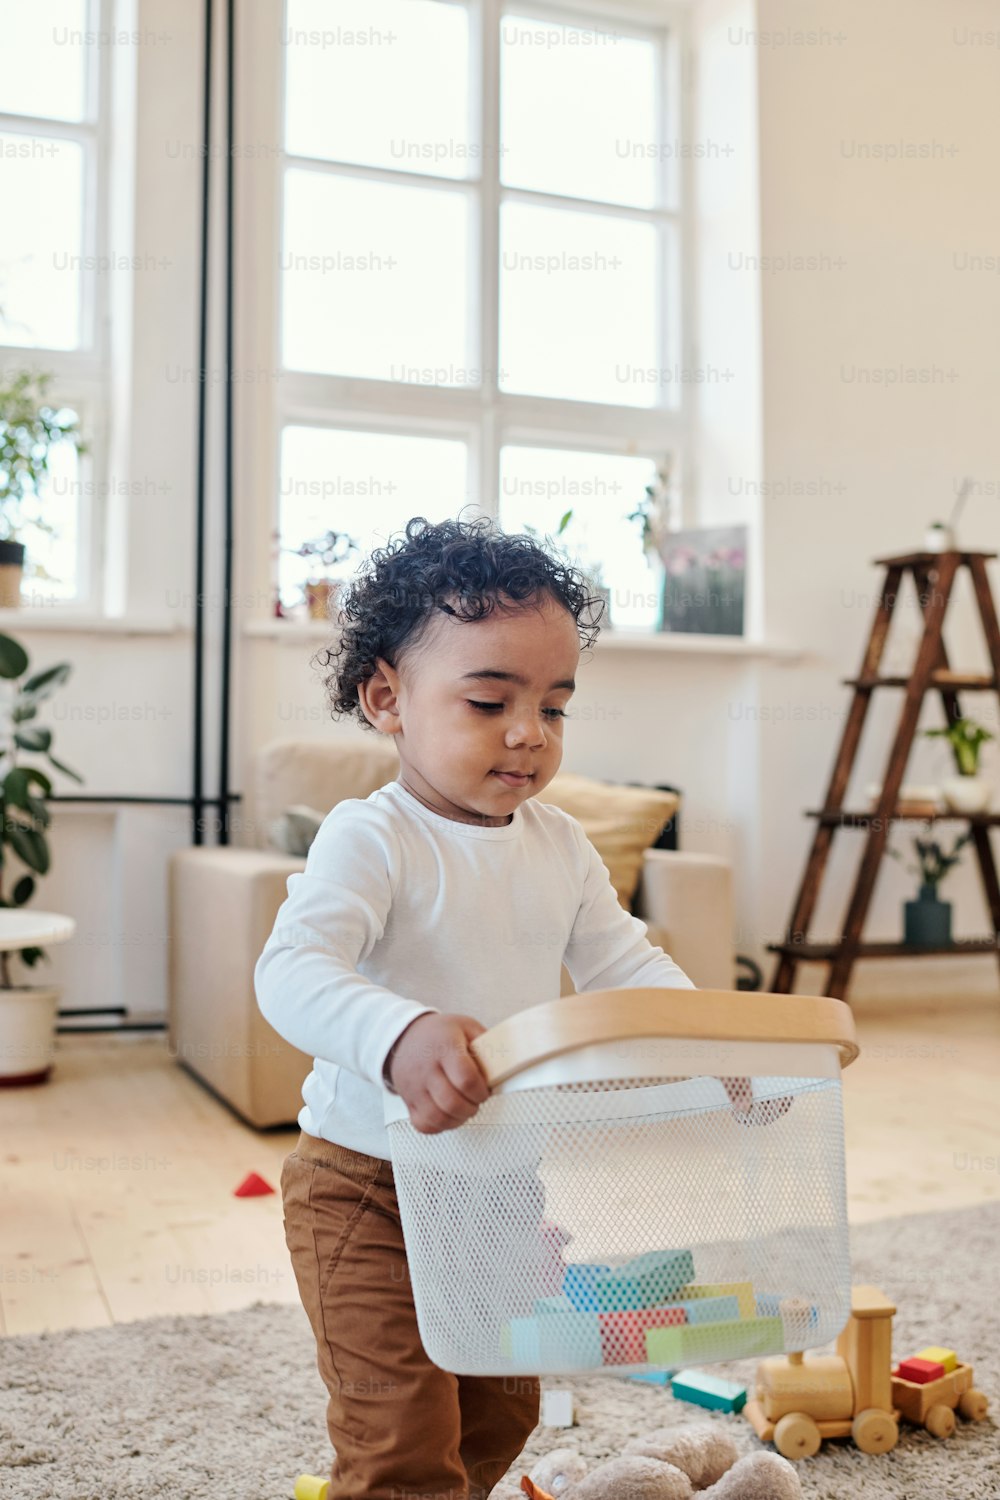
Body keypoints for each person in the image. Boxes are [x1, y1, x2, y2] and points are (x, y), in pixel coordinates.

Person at [255, 515, 723, 1500]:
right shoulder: (369, 838)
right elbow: (292, 969)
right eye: (487, 700)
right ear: (388, 698)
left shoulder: (559, 845)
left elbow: (628, 968)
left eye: (554, 706)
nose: (527, 732)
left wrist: (726, 1051)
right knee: (401, 1431)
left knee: (499, 1409)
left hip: (498, 1190)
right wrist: (397, 1034)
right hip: (366, 1187)